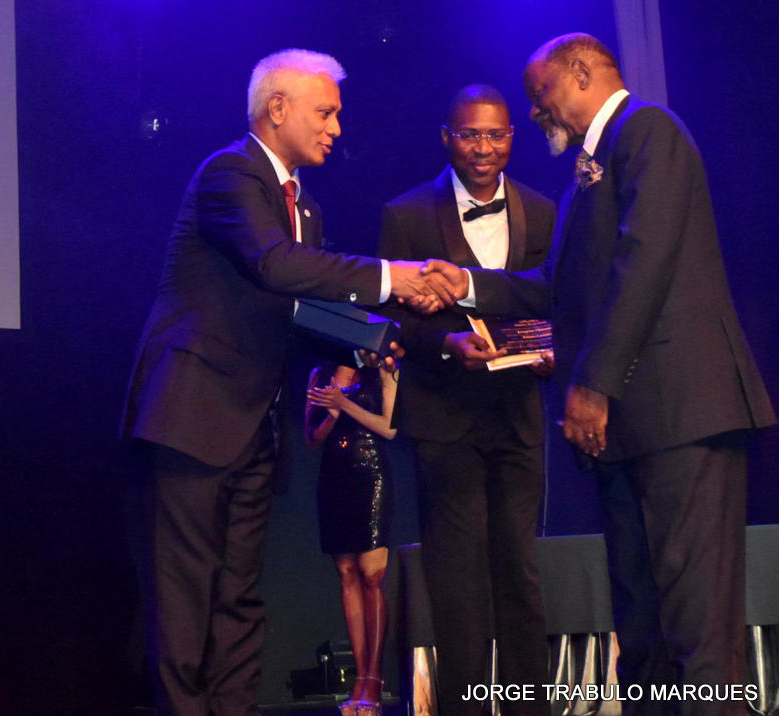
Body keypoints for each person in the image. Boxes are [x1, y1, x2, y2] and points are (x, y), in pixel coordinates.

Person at [423, 34, 776, 716]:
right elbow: (555, 285)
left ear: (581, 72)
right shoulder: (586, 173)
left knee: (696, 630)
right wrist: (463, 283)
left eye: (540, 93)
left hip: (680, 417)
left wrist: (591, 385)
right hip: (626, 432)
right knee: (641, 632)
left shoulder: (648, 130)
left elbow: (642, 262)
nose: (534, 113)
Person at [120, 49, 451, 716]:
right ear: (277, 110)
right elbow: (276, 267)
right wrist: (394, 276)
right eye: (324, 113)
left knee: (239, 597)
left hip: (253, 425)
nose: (335, 128)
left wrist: (409, 335)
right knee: (184, 602)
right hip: (191, 417)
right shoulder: (229, 174)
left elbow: (305, 315)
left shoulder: (306, 211)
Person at [376, 85, 555, 716]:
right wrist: (448, 343)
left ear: (513, 137)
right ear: (446, 137)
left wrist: (552, 348)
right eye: (470, 135)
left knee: (520, 575)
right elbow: (394, 320)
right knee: (456, 583)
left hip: (517, 415)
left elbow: (550, 304)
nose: (484, 147)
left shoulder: (543, 211)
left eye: (497, 134)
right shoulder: (405, 215)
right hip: (445, 418)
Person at [305, 363, 397, 716]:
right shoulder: (321, 373)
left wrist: (345, 406)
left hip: (370, 472)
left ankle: (374, 678)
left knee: (371, 574)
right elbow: (312, 440)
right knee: (346, 574)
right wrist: (329, 415)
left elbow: (389, 429)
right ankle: (359, 678)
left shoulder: (383, 369)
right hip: (334, 477)